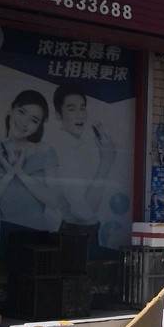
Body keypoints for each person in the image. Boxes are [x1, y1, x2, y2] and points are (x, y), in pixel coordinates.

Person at [0, 88, 60, 250]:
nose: (24, 122)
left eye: (33, 120)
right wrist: (8, 175)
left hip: (36, 236)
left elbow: (53, 201)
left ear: (38, 126)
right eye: (22, 112)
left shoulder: (44, 151)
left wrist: (21, 172)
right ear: (11, 109)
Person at [51, 82, 117, 250]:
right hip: (74, 233)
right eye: (71, 109)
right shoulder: (60, 151)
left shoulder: (84, 143)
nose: (80, 115)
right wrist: (106, 161)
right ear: (59, 115)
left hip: (89, 230)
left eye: (82, 108)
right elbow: (84, 212)